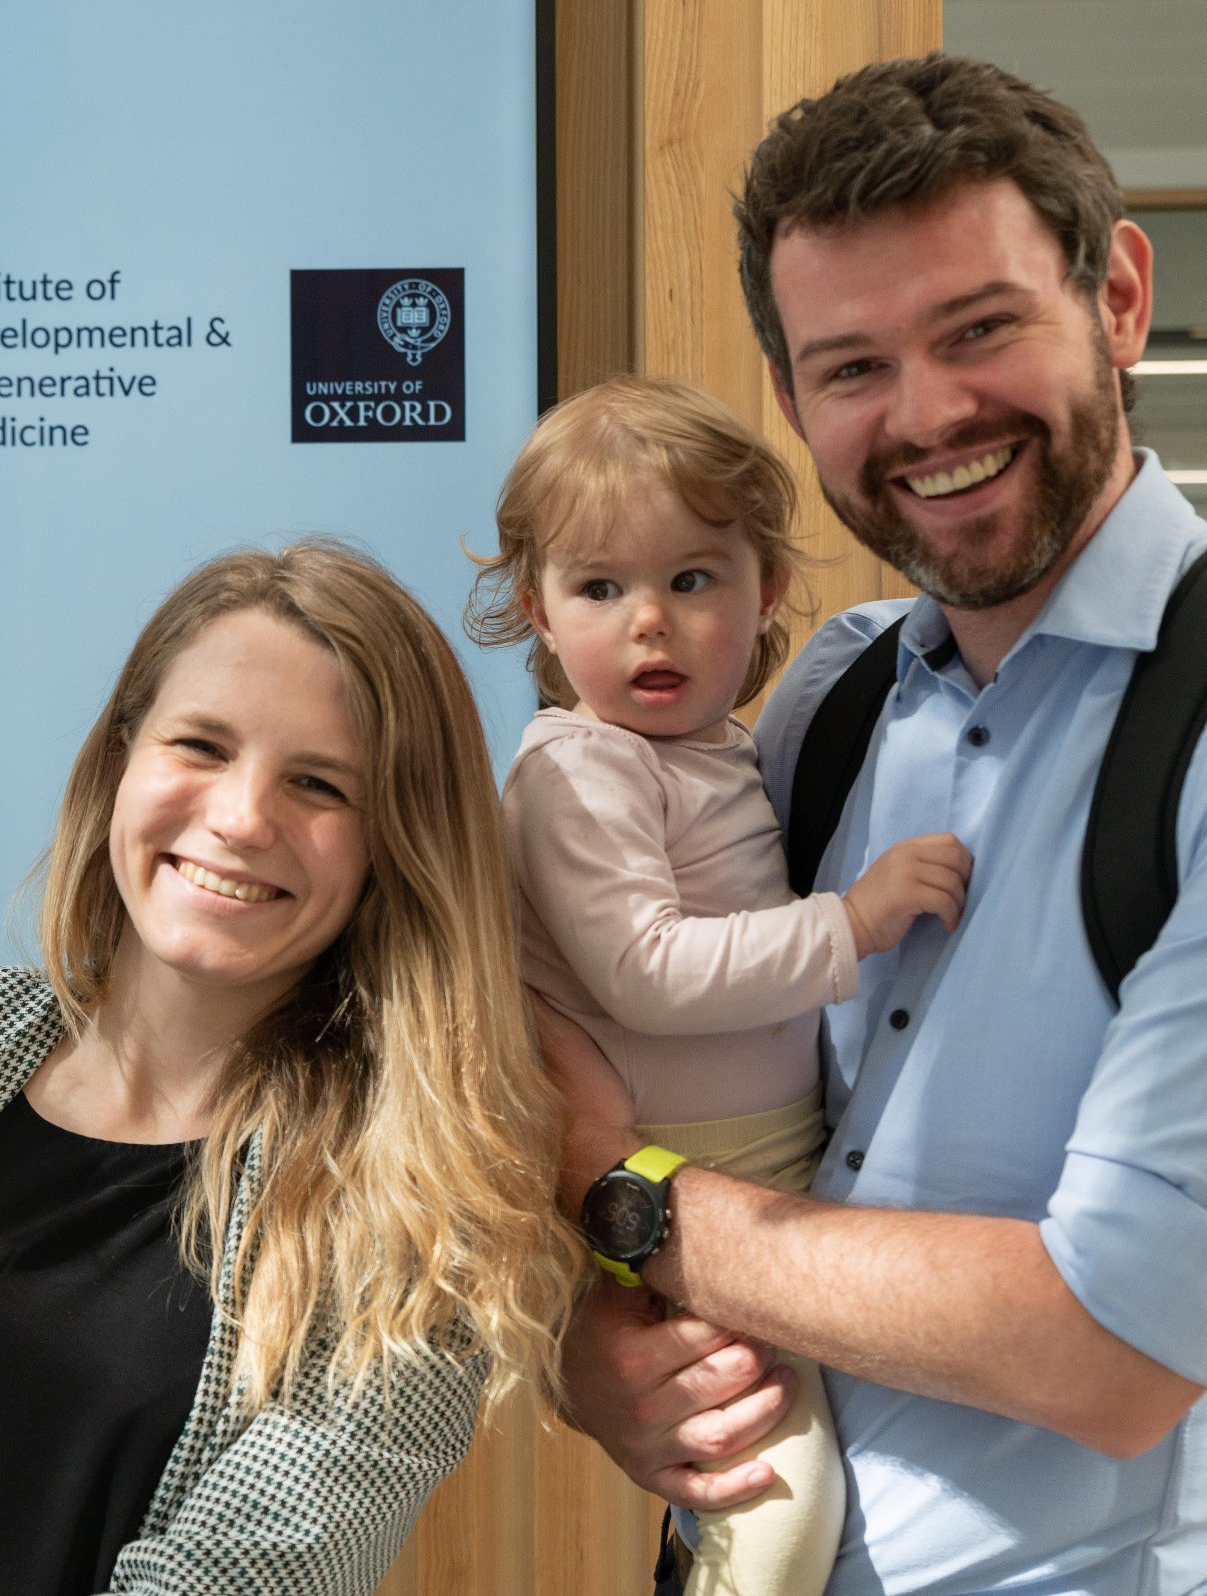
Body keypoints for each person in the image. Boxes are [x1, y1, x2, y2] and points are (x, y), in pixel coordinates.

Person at [544, 54, 1207, 1594]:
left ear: (1117, 295)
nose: (925, 416)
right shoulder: (830, 699)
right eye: (851, 368)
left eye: (977, 329)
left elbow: (1111, 1343)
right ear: (790, 399)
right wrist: (598, 1348)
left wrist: (629, 1200)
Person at [0, 539, 582, 1595]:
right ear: (122, 752)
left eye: (319, 784)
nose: (241, 817)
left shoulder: (410, 1228)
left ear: (394, 844)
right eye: (202, 745)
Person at [467, 374, 969, 1596]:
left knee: (778, 1487)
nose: (652, 623)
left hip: (758, 1169)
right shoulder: (578, 768)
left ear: (767, 589)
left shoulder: (721, 750)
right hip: (686, 1178)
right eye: (602, 588)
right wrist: (848, 924)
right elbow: (645, 971)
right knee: (777, 1504)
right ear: (536, 608)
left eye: (693, 581)